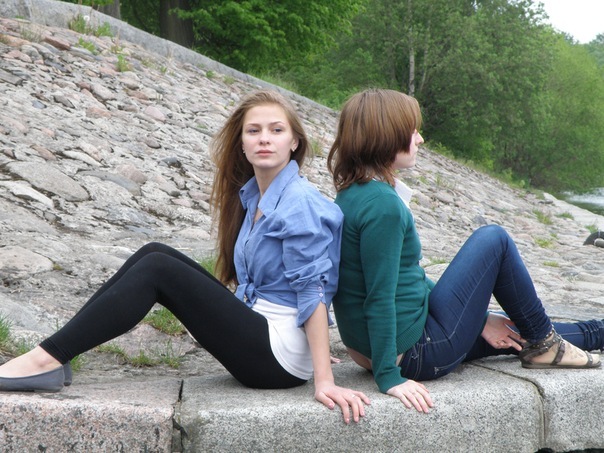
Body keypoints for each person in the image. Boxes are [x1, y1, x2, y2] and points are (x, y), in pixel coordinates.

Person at [0, 90, 369, 424]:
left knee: (158, 269)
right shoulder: (254, 196)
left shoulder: (299, 202)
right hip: (266, 332)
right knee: (153, 252)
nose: (264, 139)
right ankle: (59, 355)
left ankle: (45, 359)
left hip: (276, 358)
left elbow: (312, 288)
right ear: (241, 143)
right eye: (253, 131)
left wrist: (323, 378)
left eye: (276, 130)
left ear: (294, 142)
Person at [327, 88, 603, 414]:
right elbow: (379, 297)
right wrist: (388, 376)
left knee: (515, 333)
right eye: (412, 131)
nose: (420, 139)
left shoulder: (353, 193)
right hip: (414, 351)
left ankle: (558, 339)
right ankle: (546, 343)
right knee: (493, 240)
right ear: (387, 136)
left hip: (386, 344)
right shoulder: (383, 206)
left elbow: (405, 277)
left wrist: (481, 319)